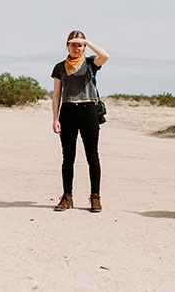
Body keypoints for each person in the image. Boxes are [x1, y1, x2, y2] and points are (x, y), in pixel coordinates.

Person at [51, 30, 109, 212]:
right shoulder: (60, 67)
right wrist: (54, 118)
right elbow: (56, 94)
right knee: (68, 157)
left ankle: (95, 197)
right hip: (67, 111)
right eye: (73, 44)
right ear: (67, 45)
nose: (77, 48)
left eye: (80, 45)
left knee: (92, 156)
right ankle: (67, 196)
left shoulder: (91, 63)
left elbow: (105, 55)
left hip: (88, 110)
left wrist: (87, 41)